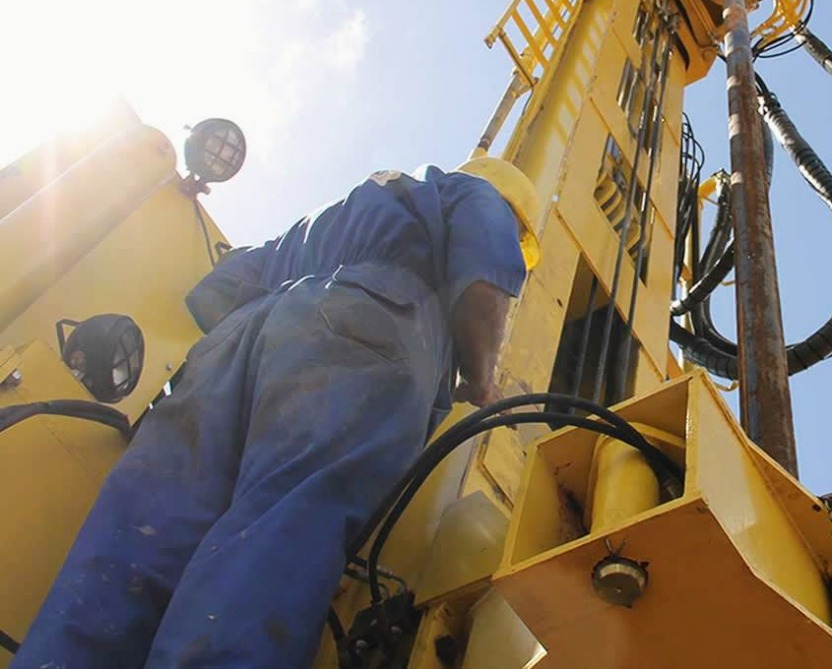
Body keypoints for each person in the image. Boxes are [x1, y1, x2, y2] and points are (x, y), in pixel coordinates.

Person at [14, 156, 540, 669]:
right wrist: (482, 378)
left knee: (143, 532)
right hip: (371, 324)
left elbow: (215, 293)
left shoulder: (346, 207)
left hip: (231, 344)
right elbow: (482, 284)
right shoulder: (477, 195)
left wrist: (270, 350)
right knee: (279, 527)